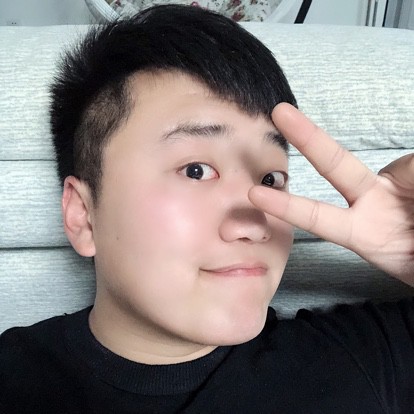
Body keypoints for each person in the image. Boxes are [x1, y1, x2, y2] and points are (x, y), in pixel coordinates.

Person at [1, 4, 413, 413]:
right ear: (83, 216)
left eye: (271, 179)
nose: (253, 224)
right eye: (196, 170)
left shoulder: (365, 357)